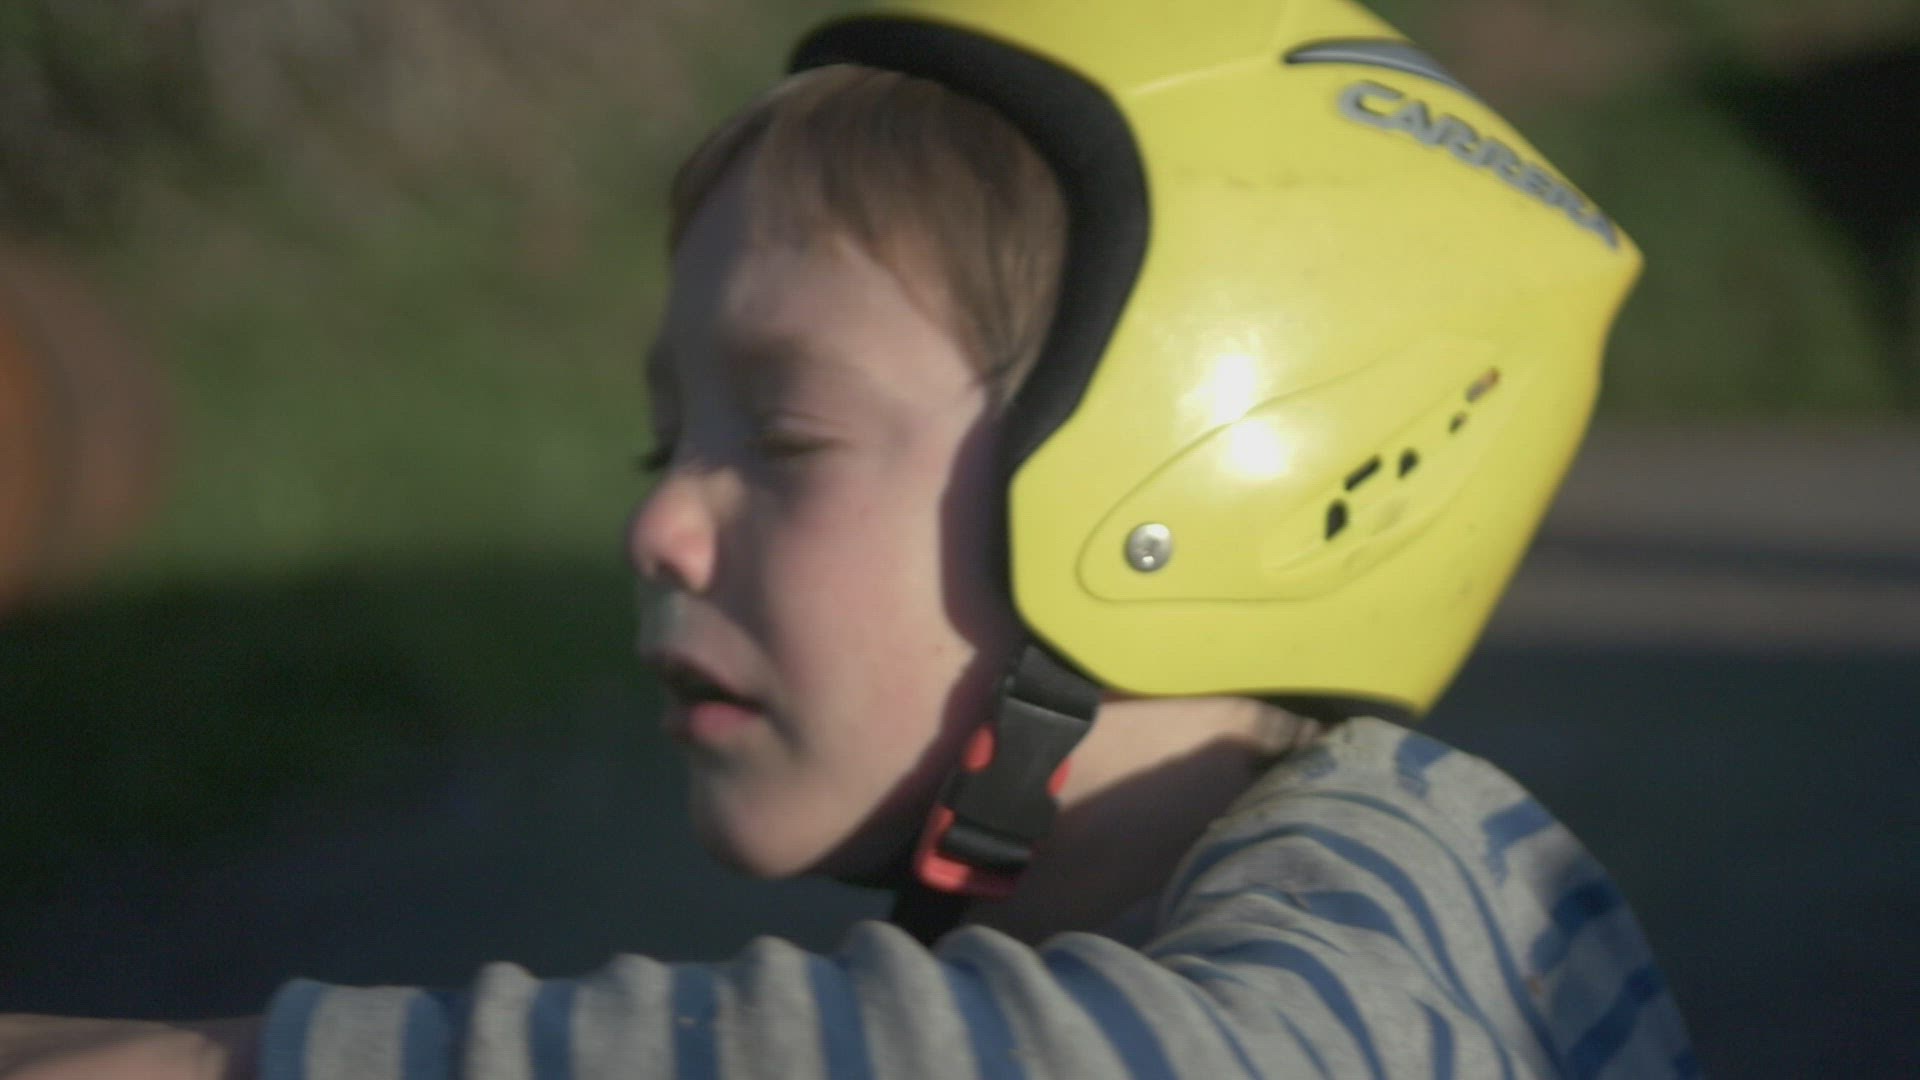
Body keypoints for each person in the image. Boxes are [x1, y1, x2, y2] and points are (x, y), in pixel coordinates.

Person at [0, 0, 1699, 1076]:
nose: (658, 522)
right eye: (666, 440)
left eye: (788, 437)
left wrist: (228, 1061)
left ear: (1179, 483)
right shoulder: (1044, 948)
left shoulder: (1416, 915)